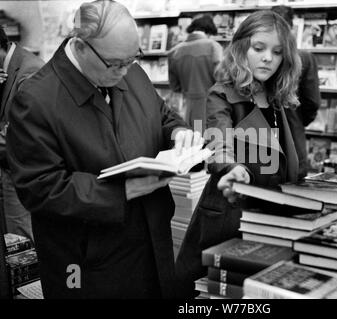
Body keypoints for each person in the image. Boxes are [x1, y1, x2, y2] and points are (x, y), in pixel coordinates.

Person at [6, 0, 202, 299]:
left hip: (151, 241)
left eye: (132, 59)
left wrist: (179, 132)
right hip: (88, 260)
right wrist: (124, 190)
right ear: (81, 47)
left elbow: (160, 113)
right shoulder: (35, 100)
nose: (125, 71)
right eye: (115, 64)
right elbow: (39, 186)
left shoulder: (127, 68)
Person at [175, 10, 304, 298]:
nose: (268, 58)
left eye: (277, 52)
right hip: (232, 215)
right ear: (240, 47)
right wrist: (234, 168)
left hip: (272, 216)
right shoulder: (222, 94)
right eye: (259, 48)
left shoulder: (278, 98)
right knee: (219, 293)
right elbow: (219, 142)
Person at [0, 26, 44, 243]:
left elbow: (21, 137)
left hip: (20, 179)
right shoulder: (7, 68)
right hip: (8, 174)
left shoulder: (30, 71)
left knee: (22, 246)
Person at [168, 14, 223, 132]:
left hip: (186, 110)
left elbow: (175, 86)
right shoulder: (213, 47)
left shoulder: (174, 52)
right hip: (212, 109)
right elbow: (222, 80)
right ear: (209, 32)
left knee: (191, 144)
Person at [270, 5, 321, 127]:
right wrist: (299, 122)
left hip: (260, 133)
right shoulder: (305, 58)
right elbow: (313, 102)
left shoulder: (258, 56)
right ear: (291, 28)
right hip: (293, 129)